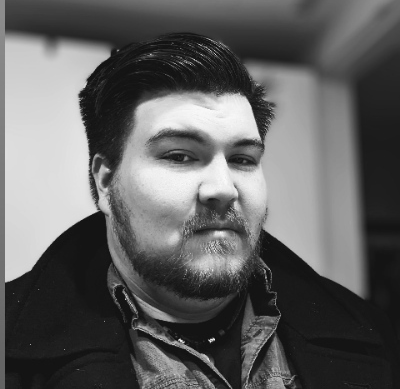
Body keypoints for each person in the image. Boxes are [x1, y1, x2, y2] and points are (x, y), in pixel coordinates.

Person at [5, 32, 399, 389]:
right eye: (179, 156)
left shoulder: (373, 334)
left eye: (243, 159)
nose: (223, 188)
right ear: (107, 182)